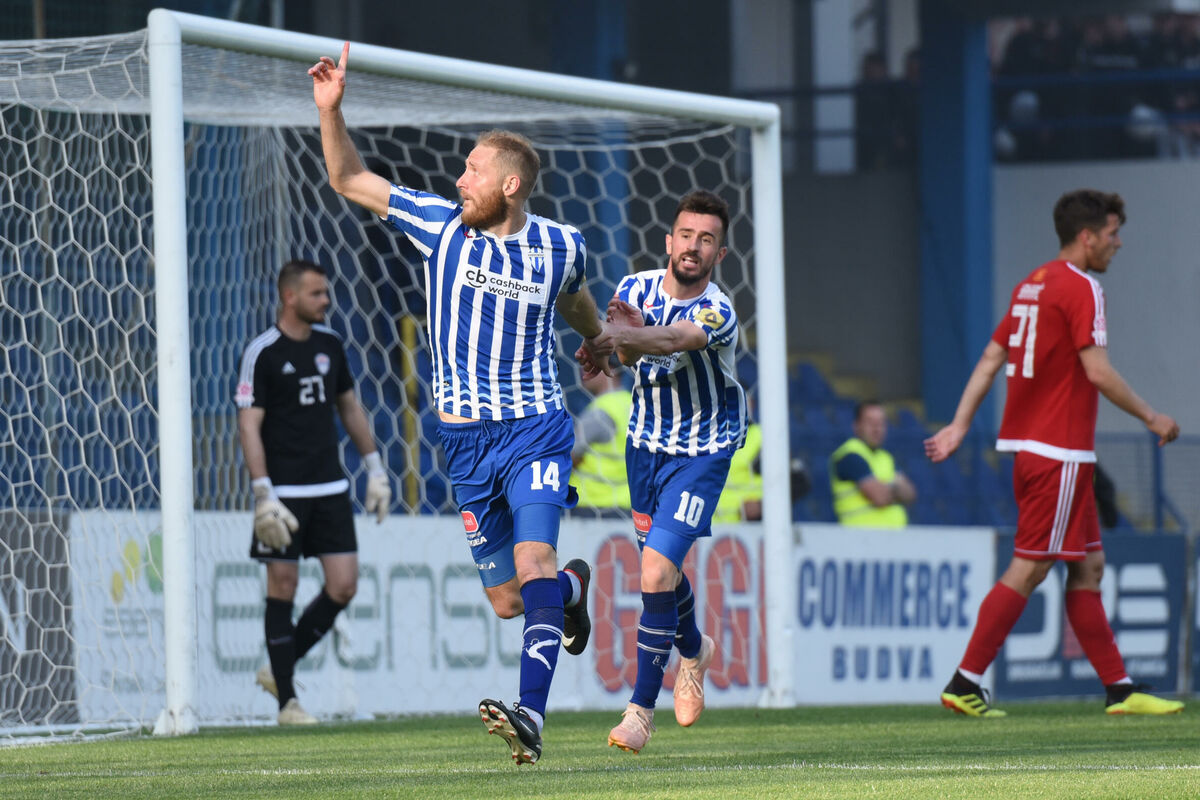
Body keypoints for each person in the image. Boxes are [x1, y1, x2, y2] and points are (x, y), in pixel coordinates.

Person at [309, 43, 613, 764]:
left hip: (535, 429)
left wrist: (597, 340)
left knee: (533, 558)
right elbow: (348, 177)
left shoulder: (561, 245)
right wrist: (331, 111)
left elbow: (573, 299)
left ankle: (530, 717)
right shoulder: (439, 225)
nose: (458, 179)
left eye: (472, 170)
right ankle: (573, 591)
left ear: (510, 184)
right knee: (510, 600)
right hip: (465, 444)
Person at [925, 189, 1183, 717]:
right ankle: (964, 681)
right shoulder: (1082, 287)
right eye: (1112, 234)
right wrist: (1151, 416)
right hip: (1058, 452)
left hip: (1039, 451)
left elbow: (992, 357)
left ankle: (1119, 690)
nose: (1117, 244)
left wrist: (960, 424)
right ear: (1086, 237)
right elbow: (1098, 371)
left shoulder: (1032, 284)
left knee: (1089, 566)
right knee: (1030, 567)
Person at [577, 189, 746, 754]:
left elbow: (677, 338)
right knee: (663, 573)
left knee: (653, 571)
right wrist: (608, 349)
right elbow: (625, 358)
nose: (694, 247)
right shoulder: (634, 290)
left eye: (707, 239)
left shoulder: (718, 310)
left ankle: (639, 712)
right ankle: (695, 650)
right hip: (645, 447)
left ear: (720, 254)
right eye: (687, 235)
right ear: (669, 240)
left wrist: (618, 338)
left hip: (702, 451)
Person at [235, 259, 391, 726]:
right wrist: (263, 492)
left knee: (343, 585)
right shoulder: (262, 352)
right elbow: (249, 425)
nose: (326, 300)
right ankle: (287, 702)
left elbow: (350, 407)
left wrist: (375, 469)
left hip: (330, 486)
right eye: (317, 294)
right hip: (282, 491)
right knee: (282, 585)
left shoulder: (330, 344)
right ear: (290, 297)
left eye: (326, 292)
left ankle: (277, 668)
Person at [829, 401, 916, 528]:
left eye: (881, 423)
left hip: (893, 536)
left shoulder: (886, 457)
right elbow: (880, 497)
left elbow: (910, 494)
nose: (877, 428)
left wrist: (888, 489)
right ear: (856, 426)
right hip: (861, 536)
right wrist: (895, 489)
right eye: (870, 422)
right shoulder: (849, 455)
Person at [571, 370, 632, 518]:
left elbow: (569, 455)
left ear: (610, 369)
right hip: (627, 505)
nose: (583, 370)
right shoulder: (631, 403)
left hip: (592, 505)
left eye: (590, 364)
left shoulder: (601, 411)